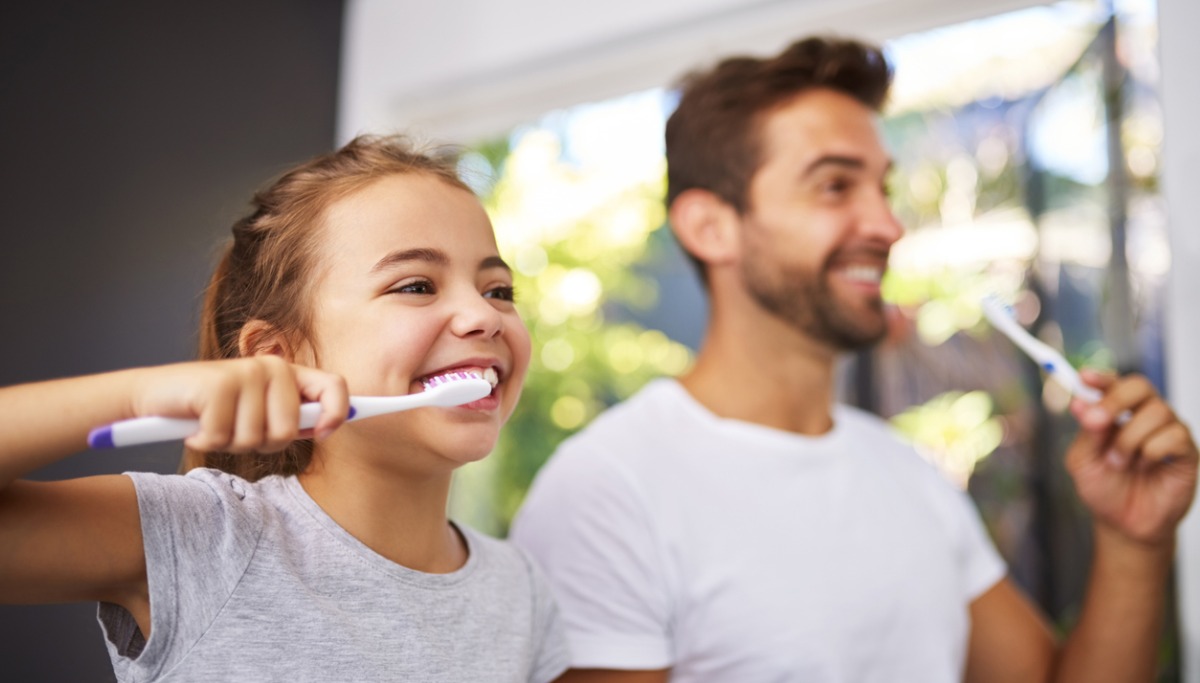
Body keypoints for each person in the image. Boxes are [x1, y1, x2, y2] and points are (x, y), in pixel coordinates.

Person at [510, 36, 1199, 682]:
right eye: (836, 186)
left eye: (883, 188)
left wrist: (1134, 543)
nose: (888, 224)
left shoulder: (905, 473)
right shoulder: (606, 493)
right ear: (710, 226)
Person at [0, 136, 569, 682]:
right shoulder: (197, 537)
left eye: (499, 291)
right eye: (417, 285)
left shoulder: (520, 591)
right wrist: (134, 398)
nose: (484, 315)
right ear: (277, 356)